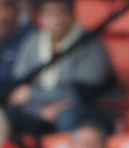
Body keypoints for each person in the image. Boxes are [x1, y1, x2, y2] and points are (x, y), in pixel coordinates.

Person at [6, 0, 114, 136]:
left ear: (73, 15)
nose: (57, 19)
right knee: (9, 114)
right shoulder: (32, 43)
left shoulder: (90, 44)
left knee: (67, 117)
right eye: (51, 14)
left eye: (62, 13)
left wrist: (33, 96)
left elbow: (81, 94)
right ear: (40, 17)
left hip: (81, 109)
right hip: (37, 110)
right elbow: (17, 91)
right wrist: (39, 110)